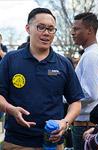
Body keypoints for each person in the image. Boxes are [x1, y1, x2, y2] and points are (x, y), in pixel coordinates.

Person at [0, 7, 84, 150]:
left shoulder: (63, 63)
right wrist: (10, 109)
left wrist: (65, 122)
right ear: (28, 28)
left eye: (51, 29)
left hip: (53, 142)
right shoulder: (10, 59)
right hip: (17, 142)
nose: (46, 33)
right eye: (41, 27)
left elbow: (75, 102)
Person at [71, 12, 98, 150]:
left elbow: (90, 93)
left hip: (86, 125)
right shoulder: (94, 53)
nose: (72, 33)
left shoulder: (92, 55)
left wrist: (64, 97)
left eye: (76, 29)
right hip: (89, 123)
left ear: (90, 31)